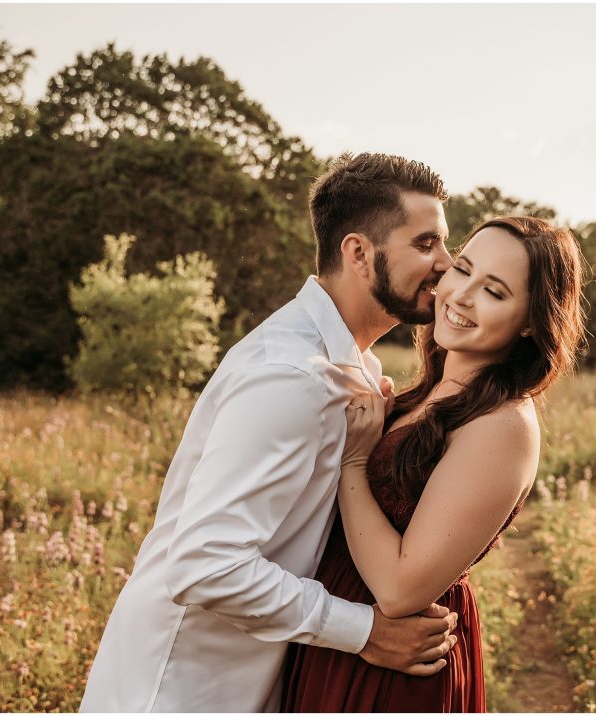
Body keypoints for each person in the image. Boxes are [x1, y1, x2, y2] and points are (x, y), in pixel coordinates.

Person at [80, 152, 463, 712]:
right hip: (183, 690)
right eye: (426, 244)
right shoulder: (290, 375)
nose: (447, 264)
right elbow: (206, 563)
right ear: (358, 252)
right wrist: (364, 631)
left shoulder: (358, 370)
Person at [282, 216, 587, 712]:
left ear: (532, 321)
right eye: (462, 269)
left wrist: (354, 462)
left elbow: (402, 591)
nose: (461, 295)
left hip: (398, 665)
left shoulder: (503, 424)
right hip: (347, 634)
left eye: (493, 291)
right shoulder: (435, 388)